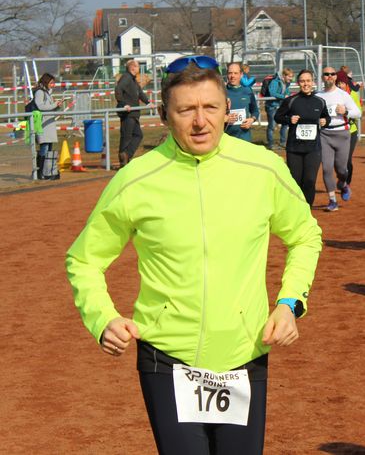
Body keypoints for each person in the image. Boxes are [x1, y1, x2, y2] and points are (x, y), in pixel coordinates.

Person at [65, 55, 323, 455]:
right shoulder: (136, 180)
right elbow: (84, 259)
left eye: (210, 107)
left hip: (245, 351)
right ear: (164, 115)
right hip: (167, 357)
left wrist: (290, 303)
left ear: (227, 109)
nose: (200, 121)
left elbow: (305, 235)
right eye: (186, 110)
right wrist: (103, 318)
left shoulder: (263, 168)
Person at [274, 69, 331, 206]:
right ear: (298, 83)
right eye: (302, 81)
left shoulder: (320, 101)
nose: (306, 84)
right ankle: (296, 209)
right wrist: (289, 119)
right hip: (294, 149)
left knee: (310, 181)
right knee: (296, 181)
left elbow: (326, 117)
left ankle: (307, 210)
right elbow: (277, 117)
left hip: (313, 149)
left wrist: (325, 121)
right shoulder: (291, 101)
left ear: (313, 82)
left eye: (308, 81)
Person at [318, 66, 362, 212]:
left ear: (335, 77)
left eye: (332, 74)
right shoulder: (318, 96)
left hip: (342, 134)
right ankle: (332, 200)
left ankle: (343, 184)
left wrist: (346, 111)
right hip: (324, 135)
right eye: (326, 74)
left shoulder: (343, 95)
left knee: (342, 169)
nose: (329, 76)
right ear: (322, 77)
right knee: (326, 168)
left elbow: (358, 113)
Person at [115, 59, 151, 167]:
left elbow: (140, 93)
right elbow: (118, 90)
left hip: (134, 113)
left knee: (138, 135)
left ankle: (126, 155)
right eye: (138, 66)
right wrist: (123, 104)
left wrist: (148, 102)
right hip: (128, 114)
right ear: (132, 68)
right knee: (126, 137)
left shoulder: (133, 80)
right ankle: (123, 159)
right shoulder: (126, 78)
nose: (139, 68)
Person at [30, 73, 63, 180]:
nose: (53, 85)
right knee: (44, 148)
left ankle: (46, 171)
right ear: (46, 82)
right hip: (43, 124)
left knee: (48, 148)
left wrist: (57, 106)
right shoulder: (40, 92)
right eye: (51, 82)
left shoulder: (47, 93)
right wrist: (54, 105)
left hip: (49, 124)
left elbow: (49, 107)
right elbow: (40, 106)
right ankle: (39, 172)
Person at [336, 67, 362, 186]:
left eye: (342, 83)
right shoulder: (333, 96)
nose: (340, 86)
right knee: (338, 160)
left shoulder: (353, 95)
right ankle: (342, 178)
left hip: (351, 131)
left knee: (347, 159)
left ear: (346, 83)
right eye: (338, 83)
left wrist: (346, 112)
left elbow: (359, 113)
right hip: (337, 132)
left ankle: (346, 182)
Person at [224, 62, 259, 143]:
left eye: (235, 73)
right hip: (226, 139)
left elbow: (255, 111)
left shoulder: (247, 91)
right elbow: (212, 114)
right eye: (230, 73)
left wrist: (252, 119)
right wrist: (224, 119)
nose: (232, 76)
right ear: (227, 75)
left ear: (241, 75)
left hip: (244, 139)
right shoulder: (221, 92)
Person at [266, 68, 295, 149]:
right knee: (272, 126)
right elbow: (272, 93)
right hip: (272, 106)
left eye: (292, 77)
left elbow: (286, 92)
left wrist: (288, 96)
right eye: (289, 76)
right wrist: (283, 96)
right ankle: (271, 144)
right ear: (284, 76)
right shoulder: (275, 82)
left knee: (285, 123)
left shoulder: (287, 83)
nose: (291, 78)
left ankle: (283, 142)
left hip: (281, 106)